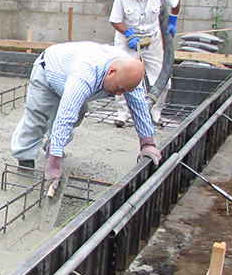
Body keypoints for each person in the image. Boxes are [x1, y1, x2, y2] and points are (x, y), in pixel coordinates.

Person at [10, 41, 162, 192]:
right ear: (111, 71)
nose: (119, 94)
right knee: (37, 119)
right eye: (118, 88)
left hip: (72, 79)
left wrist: (147, 143)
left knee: (77, 116)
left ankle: (52, 146)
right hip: (49, 72)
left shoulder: (128, 73)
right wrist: (54, 166)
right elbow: (65, 117)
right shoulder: (85, 73)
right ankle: (25, 160)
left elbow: (139, 106)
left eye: (124, 91)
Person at [109, 0, 180, 126]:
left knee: (162, 76)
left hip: (151, 38)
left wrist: (173, 21)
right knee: (121, 75)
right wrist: (128, 33)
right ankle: (123, 114)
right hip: (128, 39)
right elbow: (115, 20)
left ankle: (154, 113)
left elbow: (176, 0)